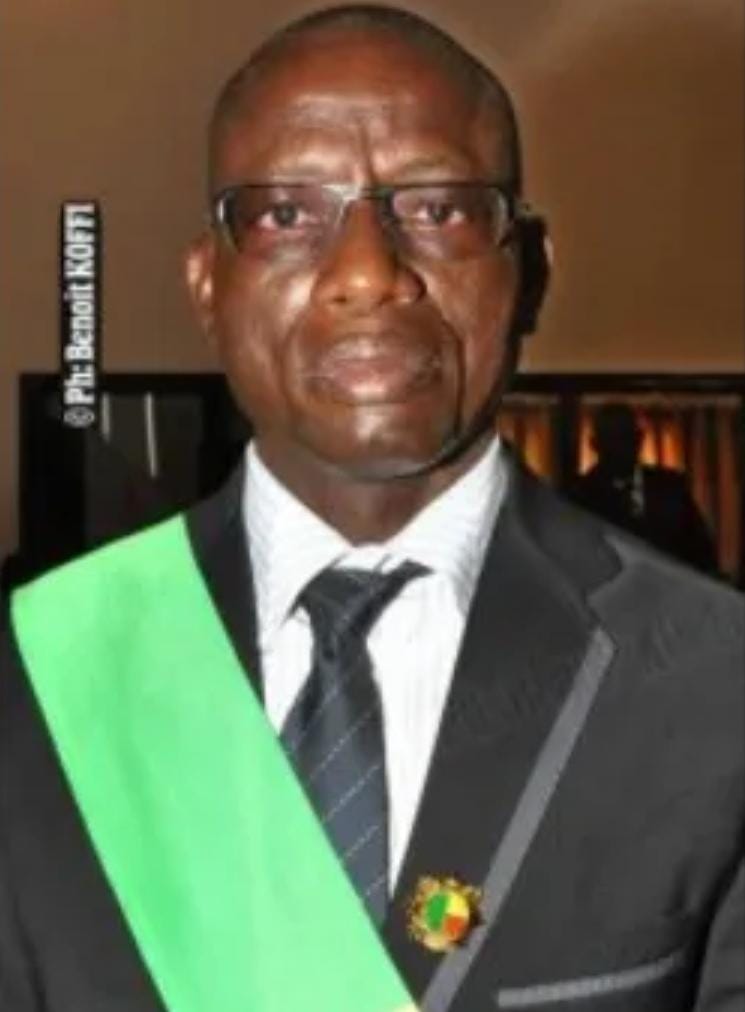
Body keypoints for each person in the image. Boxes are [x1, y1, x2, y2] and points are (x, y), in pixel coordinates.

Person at [1, 6, 742, 1011]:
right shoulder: (38, 673)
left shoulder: (710, 679)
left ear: (528, 273)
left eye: (437, 209)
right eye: (283, 214)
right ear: (207, 285)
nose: (365, 273)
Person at [569, 402, 719, 574]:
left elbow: (701, 550)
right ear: (595, 444)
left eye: (625, 438)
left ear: (639, 439)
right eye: (610, 439)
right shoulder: (580, 496)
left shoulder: (670, 487)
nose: (619, 448)